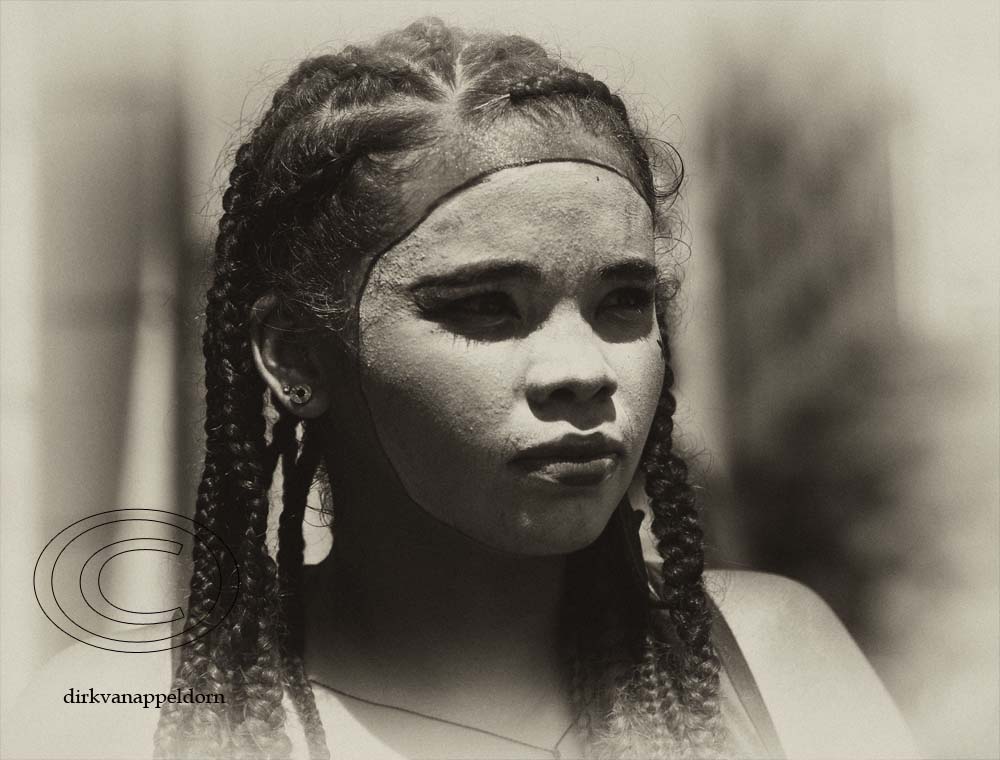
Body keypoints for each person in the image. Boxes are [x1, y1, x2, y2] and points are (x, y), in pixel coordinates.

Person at [14, 17, 917, 760]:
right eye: (486, 306)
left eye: (624, 301)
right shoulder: (123, 719)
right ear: (295, 356)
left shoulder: (769, 662)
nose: (585, 370)